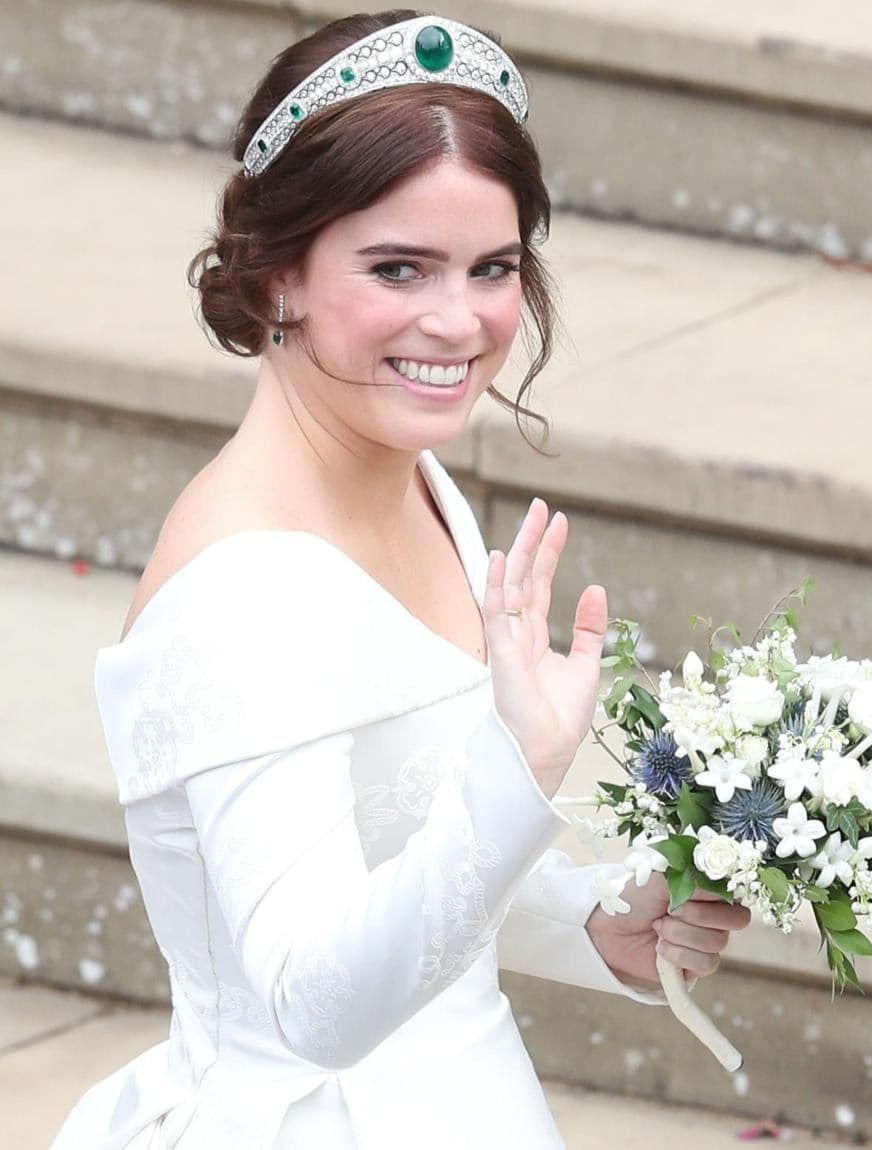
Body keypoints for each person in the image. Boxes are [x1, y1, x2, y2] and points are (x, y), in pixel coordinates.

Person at [51, 10, 751, 1147]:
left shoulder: (416, 478)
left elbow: (400, 832)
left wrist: (590, 922)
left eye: (493, 268)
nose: (457, 320)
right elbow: (315, 1001)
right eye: (397, 268)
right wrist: (522, 765)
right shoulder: (241, 601)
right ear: (279, 271)